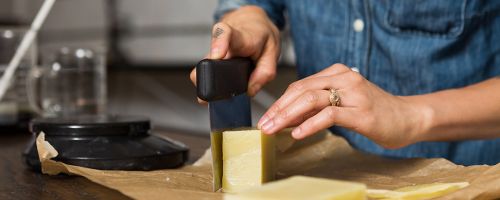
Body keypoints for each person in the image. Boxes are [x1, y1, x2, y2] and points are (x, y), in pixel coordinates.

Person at [190, 0, 500, 166]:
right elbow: (252, 4)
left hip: (468, 178)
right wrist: (248, 19)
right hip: (321, 177)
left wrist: (412, 115)